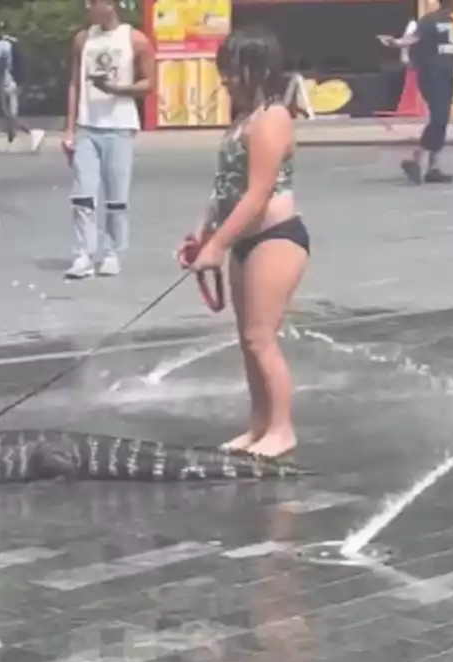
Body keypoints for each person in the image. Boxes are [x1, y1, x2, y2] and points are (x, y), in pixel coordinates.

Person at [182, 27, 309, 459]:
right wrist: (203, 233)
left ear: (257, 69)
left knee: (261, 338)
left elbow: (258, 194)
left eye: (232, 71)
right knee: (247, 339)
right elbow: (225, 188)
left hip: (276, 238)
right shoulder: (243, 120)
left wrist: (218, 245)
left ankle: (282, 428)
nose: (225, 79)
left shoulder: (274, 117)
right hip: (242, 238)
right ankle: (258, 425)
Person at [61, 0, 154, 279]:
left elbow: (149, 83)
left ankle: (113, 252)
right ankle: (83, 255)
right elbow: (75, 84)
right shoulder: (83, 39)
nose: (89, 6)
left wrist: (117, 89)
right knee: (83, 194)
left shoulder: (135, 39)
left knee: (116, 196)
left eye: (95, 1)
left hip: (120, 125)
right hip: (87, 126)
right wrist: (69, 129)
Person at [378, 0, 453, 183]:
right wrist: (396, 43)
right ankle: (417, 158)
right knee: (439, 118)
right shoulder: (430, 20)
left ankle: (433, 168)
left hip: (446, 74)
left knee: (441, 119)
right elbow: (413, 39)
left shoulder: (452, 22)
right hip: (432, 75)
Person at [0, 22, 45, 152]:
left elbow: (1, 63)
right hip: (15, 81)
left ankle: (33, 133)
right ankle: (11, 140)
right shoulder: (14, 43)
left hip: (6, 81)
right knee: (9, 114)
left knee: (8, 114)